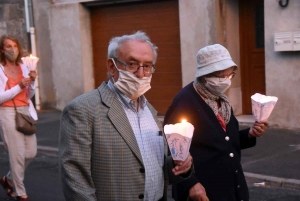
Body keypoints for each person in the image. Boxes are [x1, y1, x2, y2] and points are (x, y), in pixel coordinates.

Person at [59, 31, 193, 201]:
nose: (141, 73)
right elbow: (74, 178)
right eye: (132, 64)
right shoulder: (82, 109)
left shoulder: (149, 111)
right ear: (112, 66)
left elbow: (155, 170)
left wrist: (180, 165)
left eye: (147, 66)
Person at [163, 44, 268, 201]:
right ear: (205, 75)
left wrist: (250, 134)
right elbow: (173, 149)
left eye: (229, 76)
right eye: (221, 76)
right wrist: (191, 184)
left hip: (231, 188)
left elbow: (224, 141)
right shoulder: (185, 102)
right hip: (203, 192)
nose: (226, 82)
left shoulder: (221, 99)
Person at [0, 35, 37, 201]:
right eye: (8, 46)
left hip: (25, 111)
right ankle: (21, 193)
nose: (12, 49)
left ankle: (7, 179)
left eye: (14, 45)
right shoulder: (0, 69)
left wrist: (32, 82)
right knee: (17, 154)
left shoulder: (23, 66)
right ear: (2, 50)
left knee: (31, 152)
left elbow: (29, 94)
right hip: (7, 112)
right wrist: (19, 86)